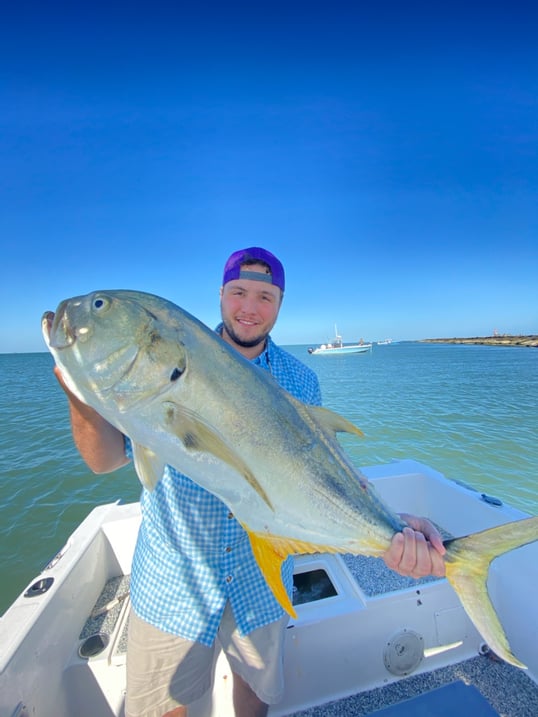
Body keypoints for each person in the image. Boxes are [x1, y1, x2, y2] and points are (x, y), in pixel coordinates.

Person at [53, 247, 446, 717]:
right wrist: (82, 396)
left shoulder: (300, 381)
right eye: (239, 292)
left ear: (280, 304)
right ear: (221, 295)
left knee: (255, 700)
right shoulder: (160, 370)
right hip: (174, 583)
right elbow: (104, 462)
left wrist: (390, 529)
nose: (249, 307)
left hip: (262, 582)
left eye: (265, 296)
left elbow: (322, 483)